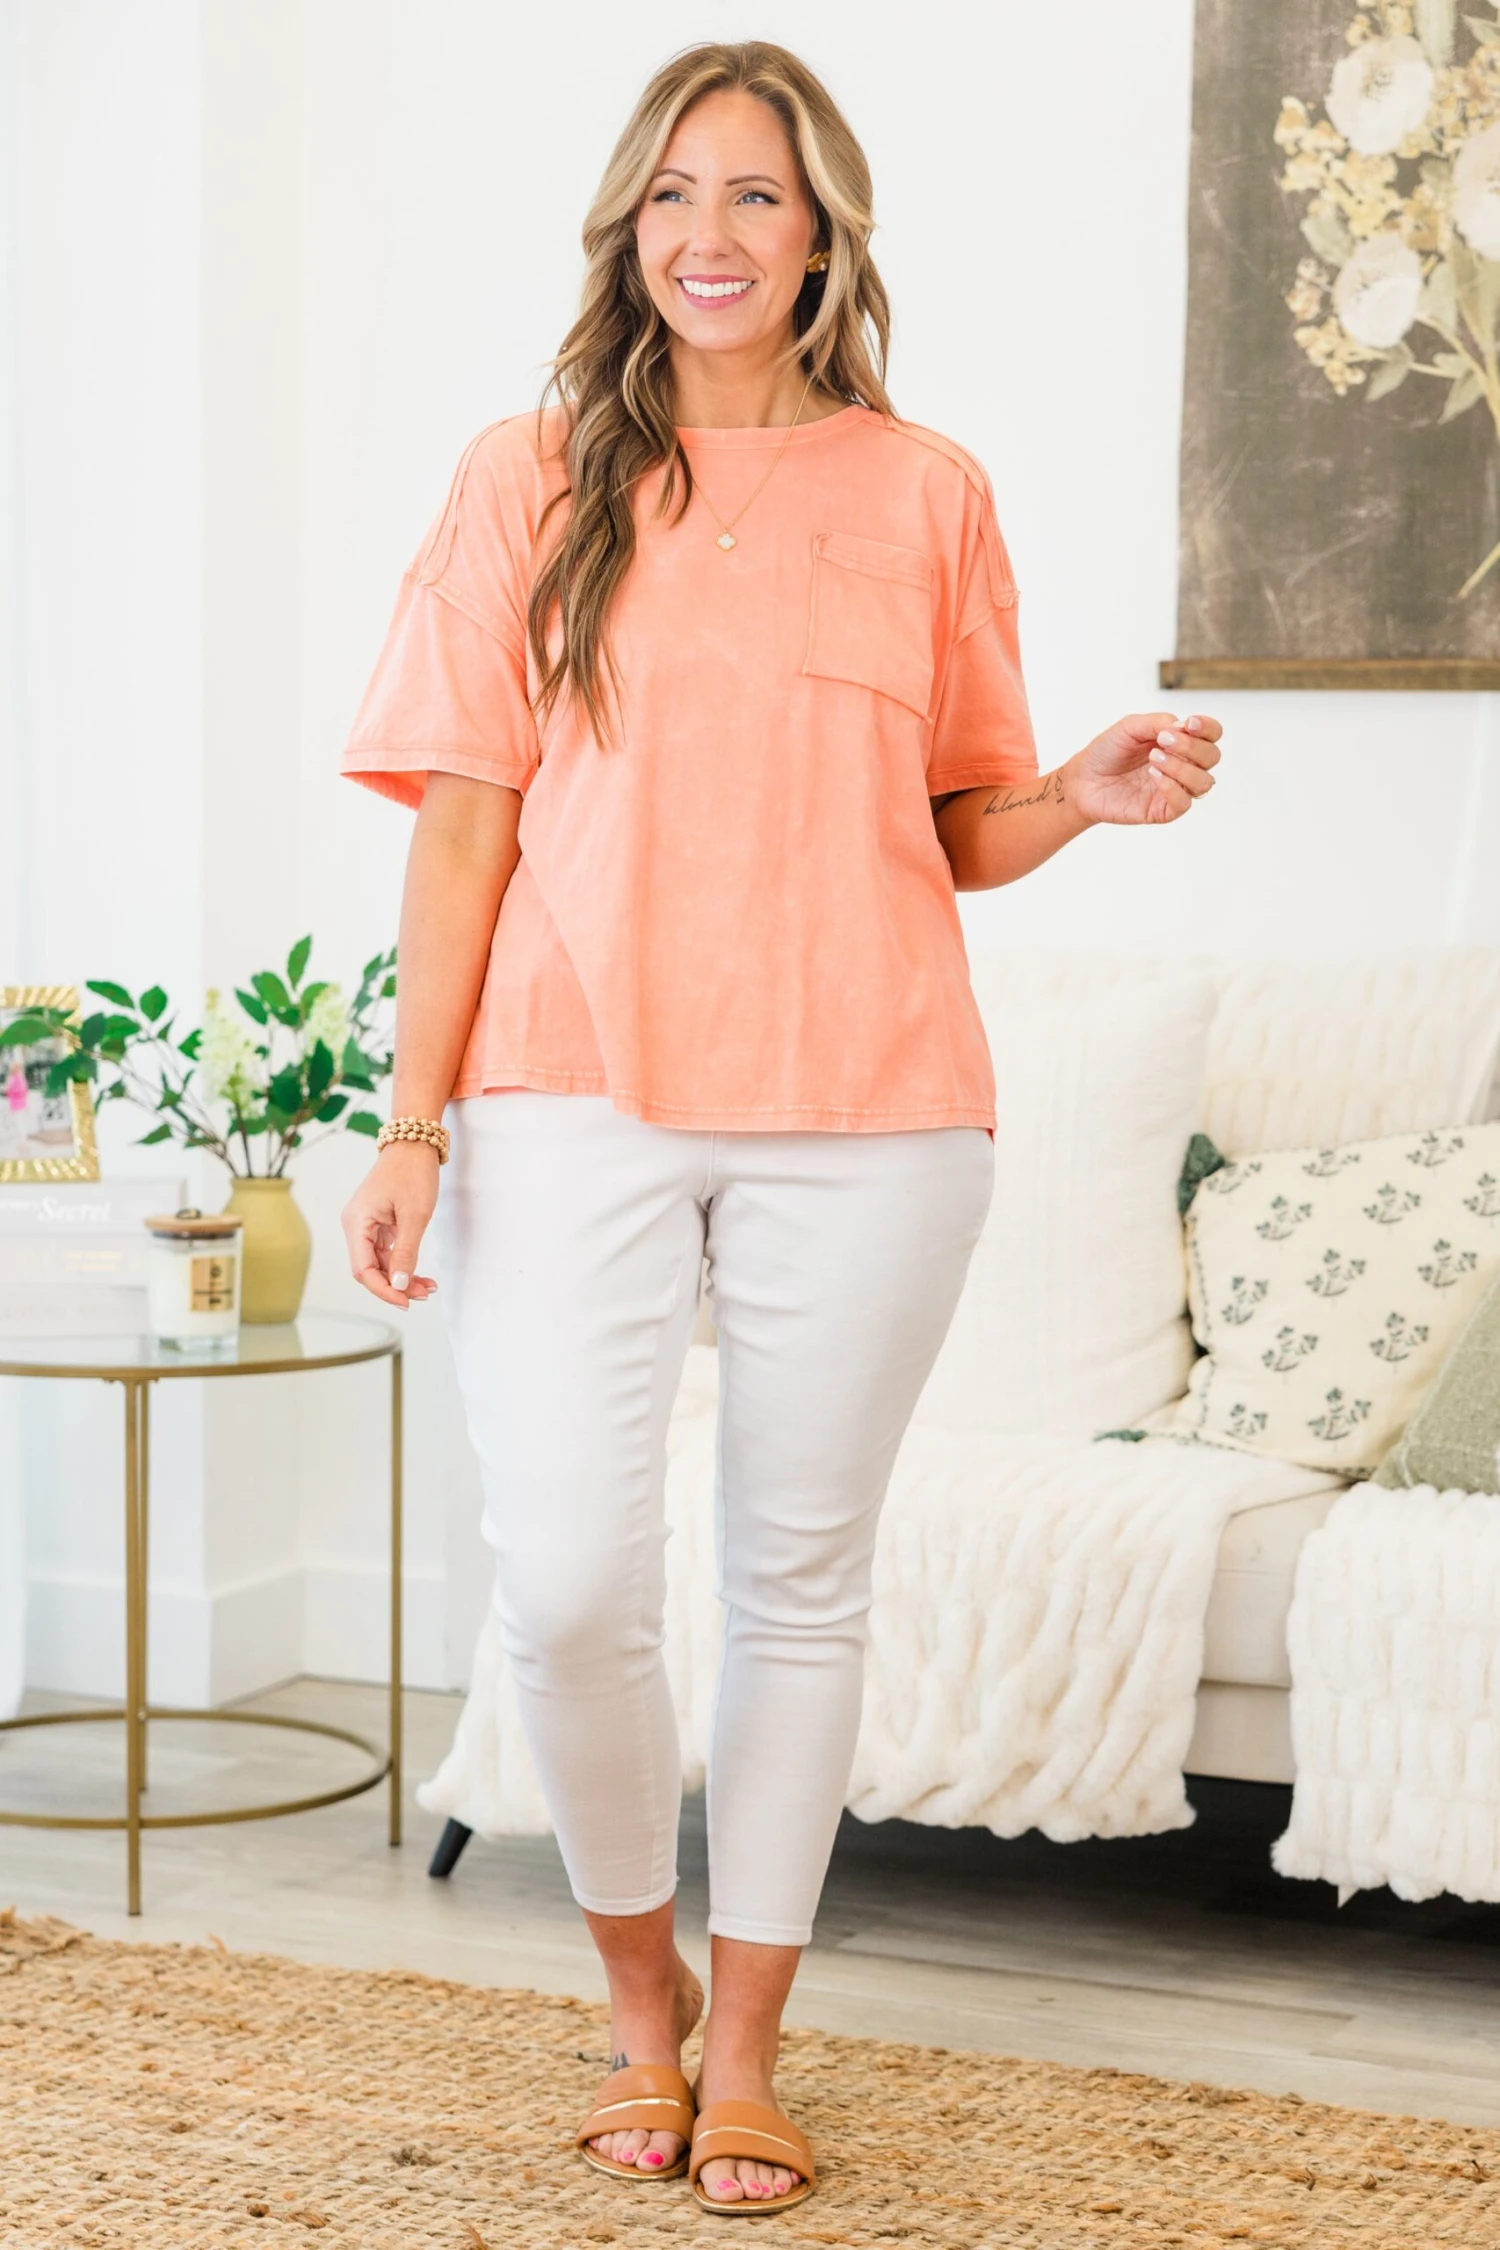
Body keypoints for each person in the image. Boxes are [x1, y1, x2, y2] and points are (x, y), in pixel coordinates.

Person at [339, 39, 1221, 2218]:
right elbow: (462, 827)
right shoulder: (526, 476)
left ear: (822, 233)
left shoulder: (927, 491)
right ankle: (631, 2006)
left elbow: (959, 821)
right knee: (567, 1583)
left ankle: (741, 2055)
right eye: (671, 195)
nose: (708, 235)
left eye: (753, 194)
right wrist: (411, 1118)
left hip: (874, 1102)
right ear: (625, 230)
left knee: (798, 1585)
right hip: (569, 1085)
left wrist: (1077, 798)